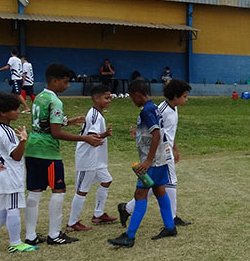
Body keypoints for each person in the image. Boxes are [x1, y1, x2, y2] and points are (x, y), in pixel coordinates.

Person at [24, 63, 103, 246]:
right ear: (54, 81)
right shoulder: (56, 101)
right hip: (48, 152)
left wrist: (67, 121)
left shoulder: (39, 97)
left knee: (35, 191)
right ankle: (54, 234)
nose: (67, 86)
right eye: (65, 82)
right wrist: (84, 138)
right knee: (58, 190)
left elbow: (44, 122)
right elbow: (56, 133)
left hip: (32, 149)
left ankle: (30, 235)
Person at [107, 79, 178, 247]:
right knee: (160, 191)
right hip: (161, 159)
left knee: (140, 194)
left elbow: (156, 134)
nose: (132, 101)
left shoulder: (147, 110)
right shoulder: (153, 108)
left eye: (132, 97)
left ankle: (129, 236)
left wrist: (148, 160)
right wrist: (138, 135)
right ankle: (170, 227)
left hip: (153, 162)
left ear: (137, 95)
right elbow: (153, 132)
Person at [118, 79, 192, 228]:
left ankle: (127, 208)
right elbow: (154, 131)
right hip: (160, 153)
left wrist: (175, 148)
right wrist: (139, 135)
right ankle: (171, 218)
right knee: (167, 182)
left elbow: (168, 132)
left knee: (157, 184)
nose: (186, 99)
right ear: (175, 95)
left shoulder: (174, 108)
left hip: (167, 150)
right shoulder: (161, 109)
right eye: (184, 96)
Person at [0, 93, 37, 253]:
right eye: (14, 109)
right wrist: (23, 140)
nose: (18, 112)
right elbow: (16, 156)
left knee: (6, 207)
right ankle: (15, 243)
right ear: (3, 112)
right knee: (13, 208)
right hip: (10, 175)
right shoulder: (8, 132)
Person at [65, 85, 116, 232]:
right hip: (87, 158)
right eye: (106, 98)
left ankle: (98, 215)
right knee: (82, 190)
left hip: (97, 159)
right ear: (96, 99)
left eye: (110, 98)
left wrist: (104, 134)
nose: (109, 101)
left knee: (106, 180)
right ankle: (72, 223)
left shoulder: (98, 114)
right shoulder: (94, 115)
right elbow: (91, 137)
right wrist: (104, 135)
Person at [0, 46, 31, 113]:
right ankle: (14, 108)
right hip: (19, 78)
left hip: (16, 79)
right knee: (13, 95)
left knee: (18, 94)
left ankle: (26, 107)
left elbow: (7, 67)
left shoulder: (12, 59)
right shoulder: (19, 60)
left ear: (11, 53)